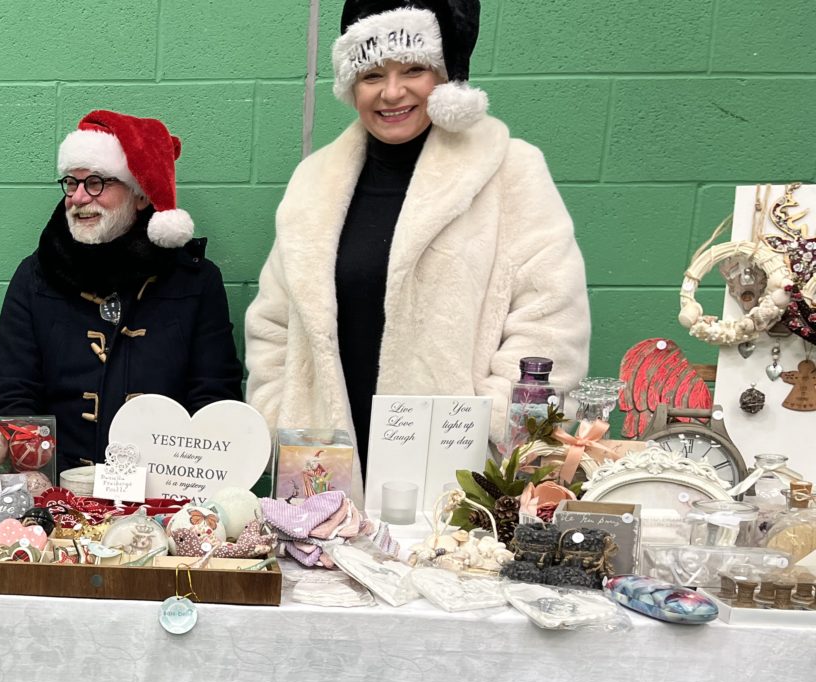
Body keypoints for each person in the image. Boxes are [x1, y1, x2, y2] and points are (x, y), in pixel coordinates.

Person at [243, 0, 590, 468]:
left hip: (457, 475)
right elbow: (274, 325)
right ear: (352, 86)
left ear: (444, 76)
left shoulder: (511, 169)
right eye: (370, 75)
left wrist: (486, 434)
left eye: (413, 69)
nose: (391, 92)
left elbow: (551, 323)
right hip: (321, 476)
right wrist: (277, 420)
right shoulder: (313, 183)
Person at [0, 110, 242, 471]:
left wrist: (180, 489)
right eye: (71, 184)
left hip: (161, 497)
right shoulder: (35, 276)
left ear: (138, 195)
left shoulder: (196, 282)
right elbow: (11, 392)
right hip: (59, 496)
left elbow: (214, 398)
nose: (78, 197)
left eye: (95, 182)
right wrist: (42, 483)